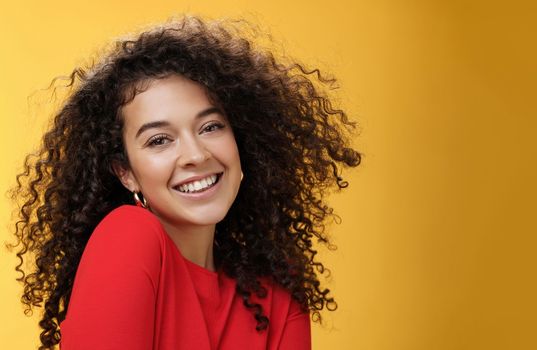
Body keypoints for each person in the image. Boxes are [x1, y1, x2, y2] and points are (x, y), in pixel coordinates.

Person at [9, 15, 362, 350]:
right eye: (159, 140)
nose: (195, 154)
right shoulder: (128, 236)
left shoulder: (278, 290)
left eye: (210, 127)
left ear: (242, 141)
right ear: (125, 172)